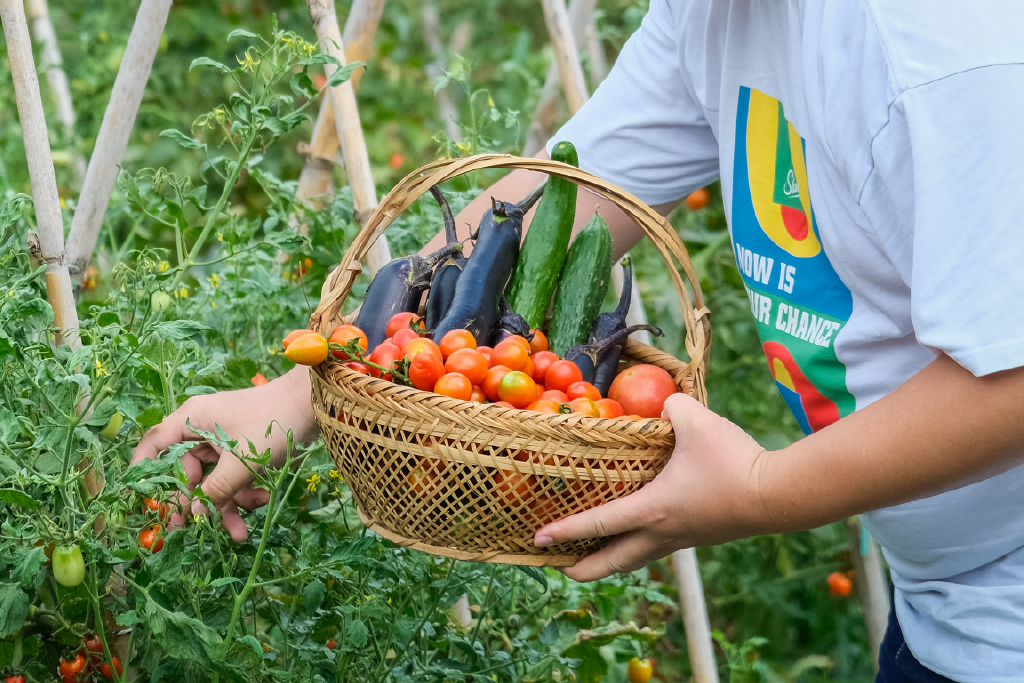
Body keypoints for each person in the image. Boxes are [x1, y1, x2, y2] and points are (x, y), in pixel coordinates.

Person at [133, 2, 1024, 681]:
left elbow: (1013, 379)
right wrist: (301, 390)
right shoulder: (719, 13)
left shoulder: (947, 51)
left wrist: (757, 489)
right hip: (947, 611)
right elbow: (567, 195)